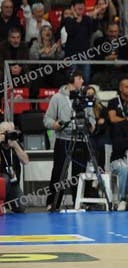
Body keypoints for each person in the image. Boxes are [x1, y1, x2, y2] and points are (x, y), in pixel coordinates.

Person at [44, 70, 95, 210]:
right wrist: (56, 124)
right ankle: (53, 202)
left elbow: (91, 118)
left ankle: (79, 202)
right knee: (59, 172)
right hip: (63, 138)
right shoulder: (57, 98)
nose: (83, 81)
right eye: (80, 78)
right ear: (72, 79)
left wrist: (91, 125)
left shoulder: (85, 97)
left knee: (79, 172)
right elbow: (47, 120)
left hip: (81, 139)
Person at [60, 0, 96, 82]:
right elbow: (71, 32)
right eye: (78, 5)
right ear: (72, 7)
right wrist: (75, 17)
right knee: (73, 79)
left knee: (86, 79)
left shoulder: (87, 19)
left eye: (82, 5)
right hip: (72, 55)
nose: (80, 6)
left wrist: (95, 17)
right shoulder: (68, 20)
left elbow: (92, 31)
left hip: (85, 54)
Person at [0, 121, 29, 213]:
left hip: (13, 184)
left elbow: (26, 161)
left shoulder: (15, 144)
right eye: (6, 133)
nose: (8, 135)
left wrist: (16, 146)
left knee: (22, 206)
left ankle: (7, 203)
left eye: (11, 132)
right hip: (1, 183)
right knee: (5, 179)